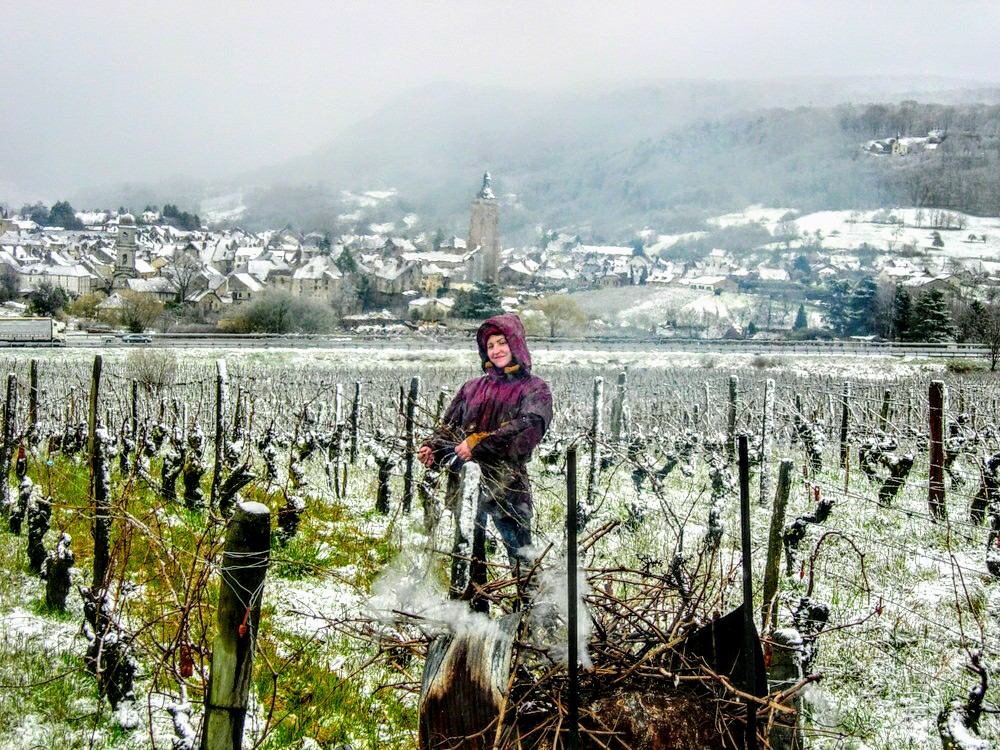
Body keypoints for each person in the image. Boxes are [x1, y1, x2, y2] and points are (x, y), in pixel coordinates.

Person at [418, 313, 552, 570]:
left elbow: (528, 429)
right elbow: (449, 427)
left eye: (502, 342)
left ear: (516, 344)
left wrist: (478, 443)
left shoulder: (534, 389)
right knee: (468, 554)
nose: (496, 350)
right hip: (465, 483)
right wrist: (432, 447)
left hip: (507, 484)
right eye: (490, 345)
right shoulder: (472, 388)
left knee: (520, 556)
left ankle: (530, 604)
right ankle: (473, 605)